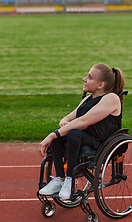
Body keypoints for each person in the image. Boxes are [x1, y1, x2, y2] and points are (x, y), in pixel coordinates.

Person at [38, 63, 125, 200]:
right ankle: (60, 179)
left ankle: (69, 180)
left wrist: (52, 134)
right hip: (82, 138)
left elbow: (83, 122)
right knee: (60, 136)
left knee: (71, 132)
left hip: (99, 143)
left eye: (90, 77)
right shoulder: (87, 99)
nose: (84, 79)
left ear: (101, 85)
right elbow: (69, 117)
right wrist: (64, 122)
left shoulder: (111, 98)